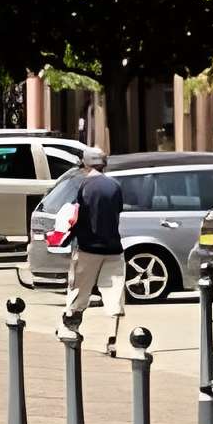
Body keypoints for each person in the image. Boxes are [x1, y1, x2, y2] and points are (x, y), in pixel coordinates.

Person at [66, 150, 127, 356]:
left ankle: (71, 329)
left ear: (85, 165)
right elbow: (117, 214)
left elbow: (75, 216)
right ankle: (111, 341)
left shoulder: (83, 186)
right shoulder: (115, 186)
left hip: (87, 248)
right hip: (113, 249)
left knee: (79, 290)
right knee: (114, 295)